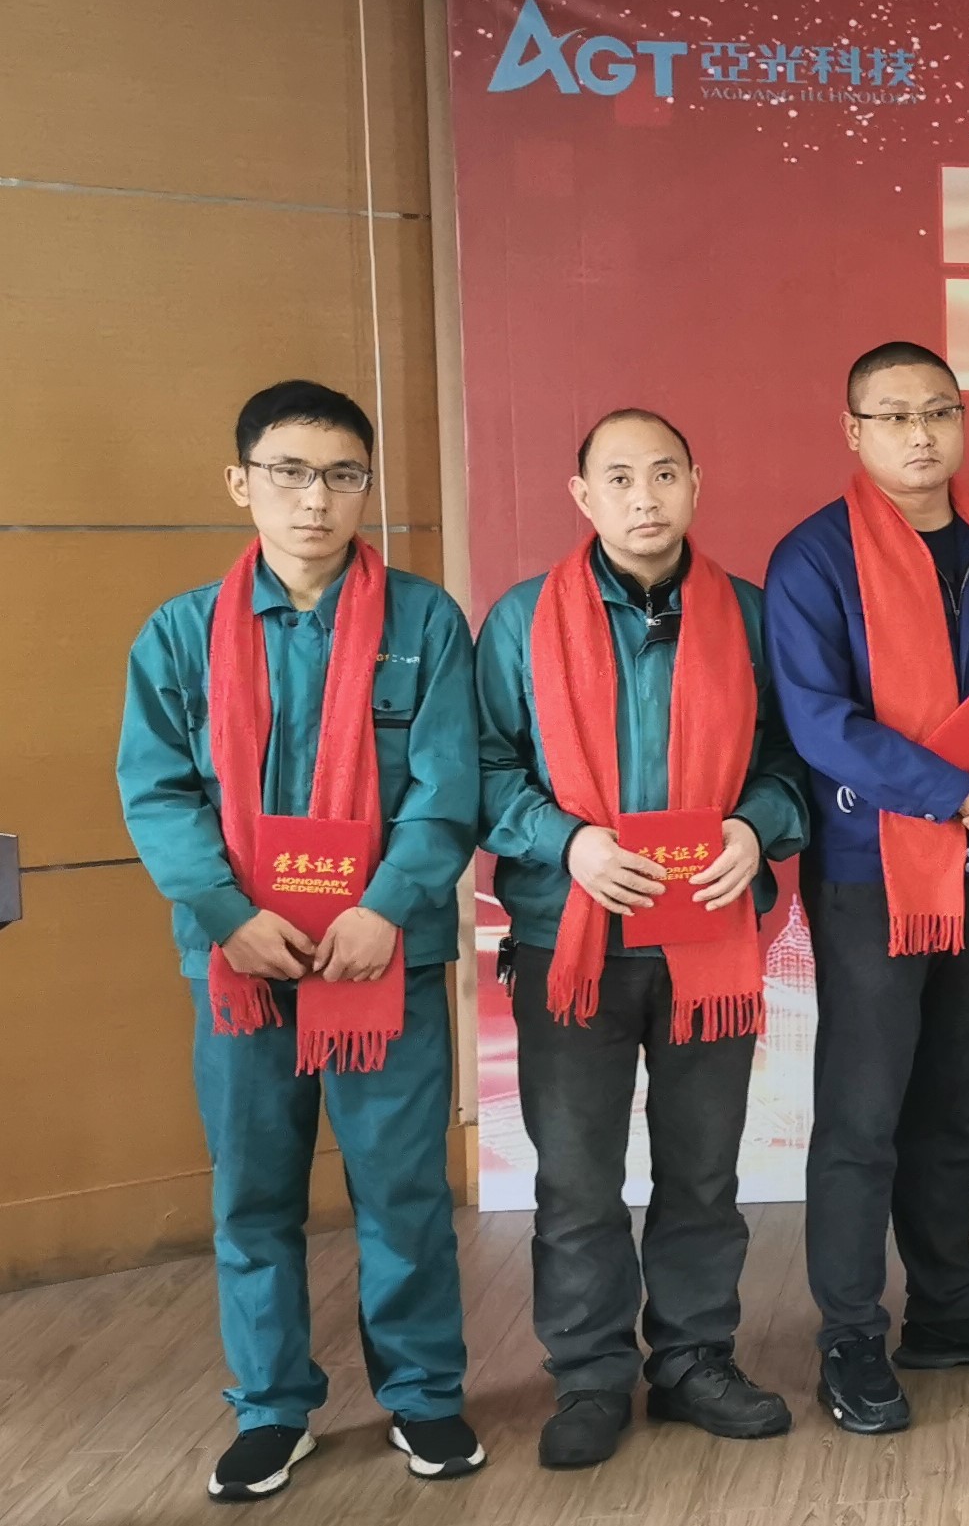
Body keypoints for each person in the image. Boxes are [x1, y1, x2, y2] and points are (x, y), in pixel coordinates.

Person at [117, 380, 487, 1500]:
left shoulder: (425, 622)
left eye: (341, 475)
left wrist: (386, 906)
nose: (315, 499)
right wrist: (229, 916)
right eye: (289, 473)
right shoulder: (178, 634)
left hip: (385, 953)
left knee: (403, 1189)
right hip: (242, 962)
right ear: (242, 482)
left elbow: (447, 783)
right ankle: (273, 1409)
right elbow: (159, 794)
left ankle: (423, 1392)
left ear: (366, 487)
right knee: (253, 1194)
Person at [475, 409, 810, 1467]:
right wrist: (567, 842)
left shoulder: (751, 616)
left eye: (664, 473)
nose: (644, 497)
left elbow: (793, 759)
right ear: (582, 496)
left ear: (696, 483)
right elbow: (483, 767)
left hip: (707, 935)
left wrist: (757, 826)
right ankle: (588, 1376)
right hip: (569, 941)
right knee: (576, 1178)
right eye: (618, 478)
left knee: (702, 1170)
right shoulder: (521, 620)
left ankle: (693, 1358)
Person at [765, 341, 969, 1433]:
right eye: (893, 414)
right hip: (872, 873)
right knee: (864, 1113)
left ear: (961, 422)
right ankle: (850, 1334)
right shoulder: (815, 557)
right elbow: (820, 723)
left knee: (962, 1098)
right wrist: (959, 789)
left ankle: (945, 1306)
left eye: (938, 410)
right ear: (852, 432)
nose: (919, 432)